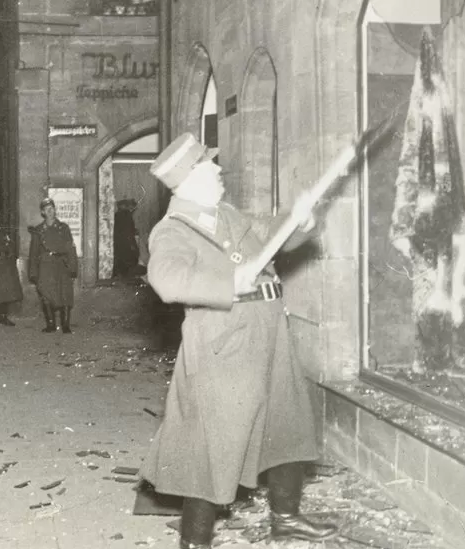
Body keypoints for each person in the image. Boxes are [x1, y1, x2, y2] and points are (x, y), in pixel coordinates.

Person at [139, 133, 337, 547]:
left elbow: (274, 233)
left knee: (286, 425)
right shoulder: (171, 231)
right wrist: (230, 281)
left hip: (268, 334)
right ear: (190, 180)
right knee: (212, 446)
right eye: (208, 165)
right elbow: (167, 279)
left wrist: (299, 219)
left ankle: (286, 517)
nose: (217, 169)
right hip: (222, 344)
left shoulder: (227, 214)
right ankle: (195, 542)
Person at [28, 198, 78, 333]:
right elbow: (33, 253)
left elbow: (70, 249)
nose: (50, 211)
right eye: (47, 209)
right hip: (45, 265)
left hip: (61, 264)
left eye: (52, 208)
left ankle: (65, 325)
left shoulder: (63, 228)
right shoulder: (38, 230)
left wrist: (73, 269)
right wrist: (33, 272)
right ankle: (51, 324)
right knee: (46, 292)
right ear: (42, 212)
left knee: (65, 293)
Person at [113, 198, 140, 277]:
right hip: (126, 246)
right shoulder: (127, 215)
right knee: (129, 266)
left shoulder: (116, 215)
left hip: (118, 245)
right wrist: (134, 247)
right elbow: (129, 233)